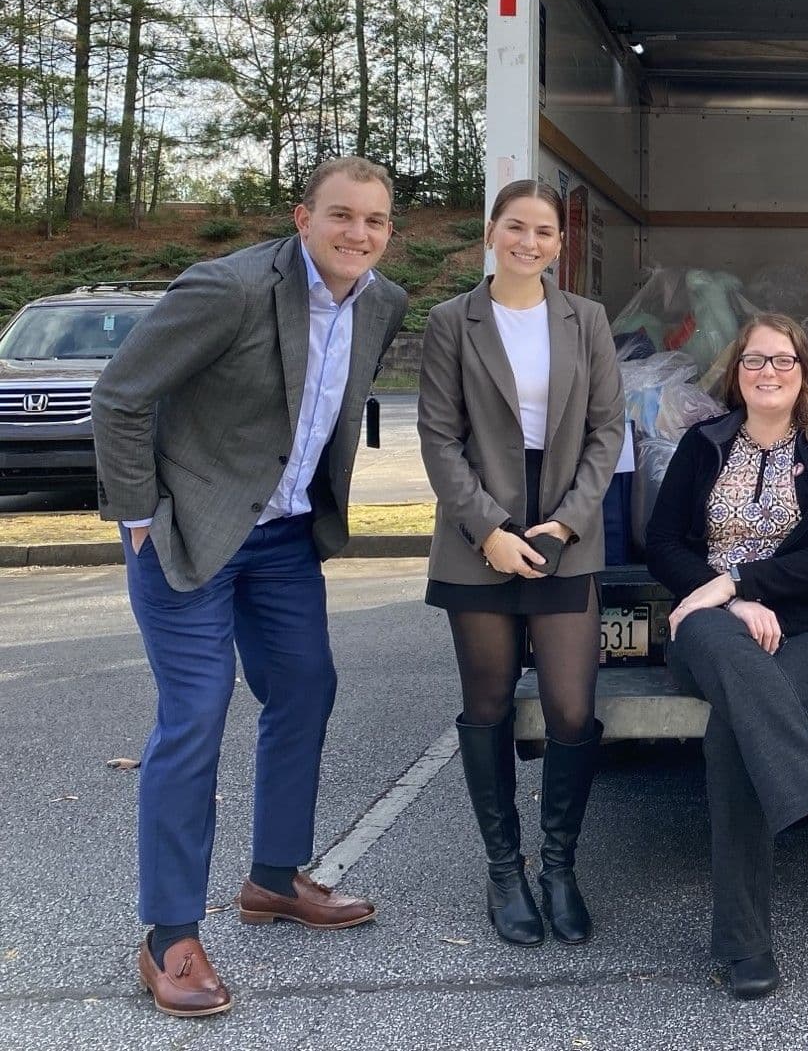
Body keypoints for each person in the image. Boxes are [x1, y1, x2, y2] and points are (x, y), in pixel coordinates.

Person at [91, 156, 409, 1018]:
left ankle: (274, 877)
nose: (358, 234)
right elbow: (119, 395)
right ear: (303, 217)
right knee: (194, 712)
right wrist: (137, 517)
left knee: (305, 686)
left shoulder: (382, 302)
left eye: (375, 221)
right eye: (342, 215)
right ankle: (168, 935)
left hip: (283, 539)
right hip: (187, 530)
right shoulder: (227, 288)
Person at [647, 313, 808, 1000]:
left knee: (733, 730)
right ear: (737, 371)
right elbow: (663, 543)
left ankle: (743, 947)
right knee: (719, 646)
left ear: (804, 371)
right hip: (711, 630)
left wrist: (740, 581)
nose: (768, 372)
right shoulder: (703, 444)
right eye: (755, 361)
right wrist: (728, 602)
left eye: (782, 360)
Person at [417, 179, 624, 949]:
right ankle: (506, 870)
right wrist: (491, 530)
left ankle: (560, 867)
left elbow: (608, 432)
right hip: (481, 540)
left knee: (571, 708)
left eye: (543, 231)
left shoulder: (587, 320)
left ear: (559, 244)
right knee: (491, 705)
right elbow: (438, 438)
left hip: (567, 533)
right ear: (492, 232)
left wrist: (566, 524)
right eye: (515, 227)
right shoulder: (452, 321)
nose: (528, 242)